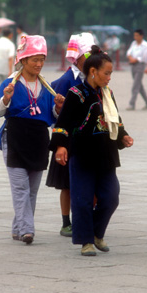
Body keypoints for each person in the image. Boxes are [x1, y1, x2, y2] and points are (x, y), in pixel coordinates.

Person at [50, 45, 134, 256]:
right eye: (107, 73)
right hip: (82, 154)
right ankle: (86, 240)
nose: (109, 78)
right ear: (93, 71)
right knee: (83, 199)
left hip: (106, 154)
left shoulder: (108, 93)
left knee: (111, 197)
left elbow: (114, 119)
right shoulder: (75, 93)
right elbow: (63, 123)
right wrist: (60, 145)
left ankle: (97, 232)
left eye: (111, 73)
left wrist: (123, 135)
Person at [0, 35, 65, 245]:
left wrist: (58, 107)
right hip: (15, 139)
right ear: (23, 60)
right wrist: (6, 98)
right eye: (34, 60)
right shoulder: (9, 84)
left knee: (32, 190)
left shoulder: (47, 88)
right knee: (20, 188)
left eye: (42, 59)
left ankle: (17, 227)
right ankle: (27, 230)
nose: (39, 64)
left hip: (39, 140)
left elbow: (52, 118)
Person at [46, 32, 94, 237]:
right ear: (78, 57)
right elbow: (54, 114)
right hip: (68, 139)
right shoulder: (64, 81)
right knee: (66, 185)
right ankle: (66, 221)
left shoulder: (94, 78)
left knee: (91, 183)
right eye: (88, 55)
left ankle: (87, 218)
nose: (92, 59)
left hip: (90, 139)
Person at [126, 29, 147, 111]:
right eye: (134, 35)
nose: (135, 37)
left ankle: (132, 103)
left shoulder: (145, 45)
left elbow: (144, 56)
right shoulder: (133, 43)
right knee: (139, 85)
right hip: (133, 65)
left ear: (141, 36)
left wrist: (135, 60)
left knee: (135, 85)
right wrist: (131, 58)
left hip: (140, 65)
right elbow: (129, 52)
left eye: (137, 35)